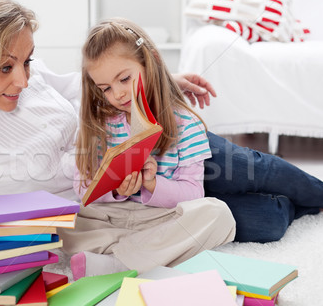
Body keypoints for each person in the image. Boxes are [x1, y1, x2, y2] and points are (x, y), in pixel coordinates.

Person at [0, 0, 218, 247]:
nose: (24, 80)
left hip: (136, 137)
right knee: (241, 217)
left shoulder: (28, 76)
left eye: (27, 60)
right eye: (6, 68)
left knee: (250, 170)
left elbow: (90, 87)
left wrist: (155, 84)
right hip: (108, 203)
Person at [60, 18, 236, 280]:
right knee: (61, 223)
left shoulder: (186, 125)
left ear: (149, 61)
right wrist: (116, 189)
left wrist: (152, 184)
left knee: (219, 215)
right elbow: (82, 188)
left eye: (124, 79)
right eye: (106, 88)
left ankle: (117, 264)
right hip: (110, 219)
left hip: (160, 219)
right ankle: (147, 255)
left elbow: (193, 192)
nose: (118, 94)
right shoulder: (98, 126)